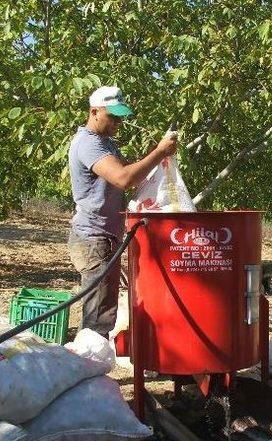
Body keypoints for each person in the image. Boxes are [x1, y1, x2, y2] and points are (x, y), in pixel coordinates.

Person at [68, 86, 177, 337]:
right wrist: (159, 152)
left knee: (104, 310)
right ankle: (89, 364)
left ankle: (93, 363)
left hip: (106, 236)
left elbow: (133, 175)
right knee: (98, 315)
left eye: (121, 116)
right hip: (94, 237)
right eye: (113, 116)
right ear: (94, 112)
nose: (119, 122)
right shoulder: (89, 144)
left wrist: (156, 158)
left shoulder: (106, 144)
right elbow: (123, 178)